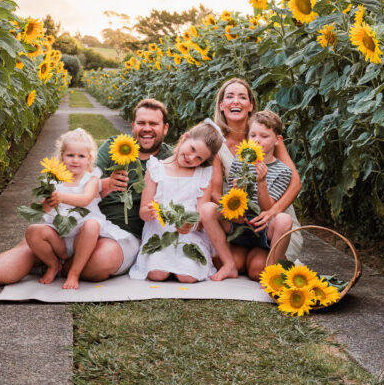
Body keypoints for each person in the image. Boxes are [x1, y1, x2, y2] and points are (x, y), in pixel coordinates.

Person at [0, 99, 171, 298]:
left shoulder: (171, 160)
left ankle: (49, 263)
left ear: (165, 128)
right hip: (84, 222)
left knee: (97, 264)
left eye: (154, 124)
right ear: (133, 125)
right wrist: (105, 184)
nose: (146, 129)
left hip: (122, 234)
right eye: (141, 122)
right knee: (33, 241)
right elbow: (84, 177)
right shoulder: (116, 145)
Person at [206, 76, 303, 261]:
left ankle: (269, 259)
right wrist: (232, 210)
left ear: (250, 105)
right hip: (241, 217)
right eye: (230, 96)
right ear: (221, 105)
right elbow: (215, 192)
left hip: (274, 216)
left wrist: (272, 212)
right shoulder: (216, 141)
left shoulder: (267, 134)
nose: (236, 101)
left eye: (242, 97)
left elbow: (296, 182)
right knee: (234, 262)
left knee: (261, 267)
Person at [24, 128, 130, 289]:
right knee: (33, 231)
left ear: (89, 159)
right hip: (59, 235)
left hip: (83, 236)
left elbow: (86, 199)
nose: (75, 160)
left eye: (81, 156)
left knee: (92, 224)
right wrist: (47, 202)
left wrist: (61, 197)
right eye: (70, 155)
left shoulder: (91, 178)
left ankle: (74, 272)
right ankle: (54, 265)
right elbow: (45, 209)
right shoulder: (54, 180)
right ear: (61, 157)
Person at [129, 122, 222, 283]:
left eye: (199, 158)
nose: (191, 158)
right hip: (159, 235)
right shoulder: (156, 168)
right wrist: (149, 212)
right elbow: (143, 210)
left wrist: (189, 225)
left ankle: (188, 262)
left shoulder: (202, 175)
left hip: (189, 237)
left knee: (187, 276)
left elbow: (199, 219)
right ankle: (159, 260)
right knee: (157, 273)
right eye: (192, 149)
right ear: (185, 138)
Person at [221, 111, 296, 281]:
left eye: (264, 136)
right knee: (236, 264)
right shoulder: (240, 162)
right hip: (240, 226)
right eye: (253, 135)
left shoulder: (283, 171)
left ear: (277, 140)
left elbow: (269, 210)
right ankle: (242, 257)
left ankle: (272, 271)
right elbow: (233, 201)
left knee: (257, 272)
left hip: (262, 228)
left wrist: (261, 182)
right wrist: (236, 192)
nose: (257, 140)